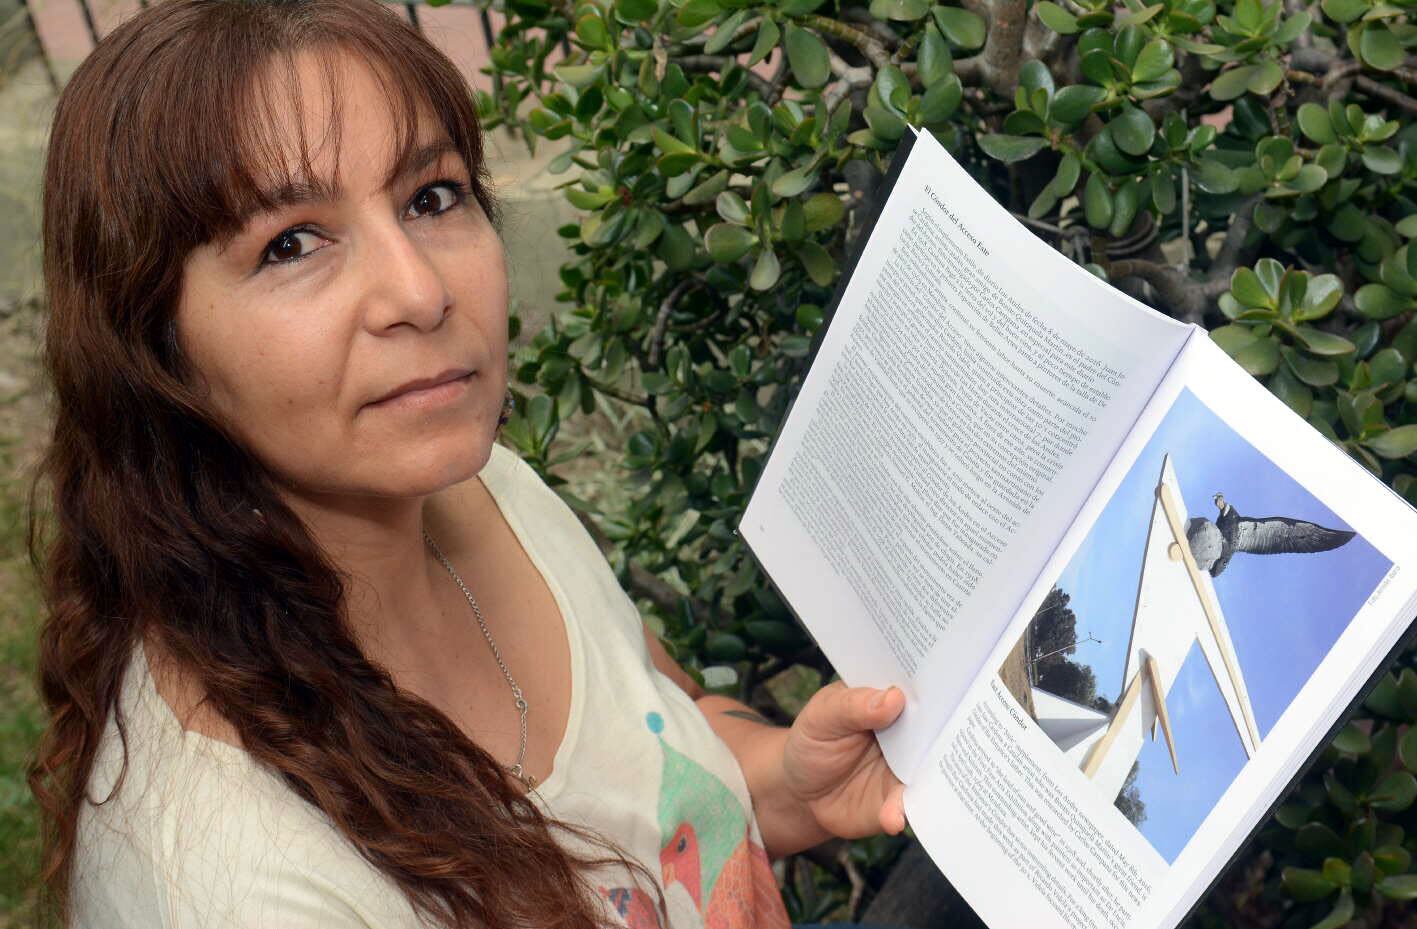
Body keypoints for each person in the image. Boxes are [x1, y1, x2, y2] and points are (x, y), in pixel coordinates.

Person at [26, 1, 909, 927]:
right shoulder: (243, 887)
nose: (419, 289)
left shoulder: (486, 490)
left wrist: (786, 784)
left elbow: (660, 747)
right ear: (154, 353)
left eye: (431, 197)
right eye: (291, 243)